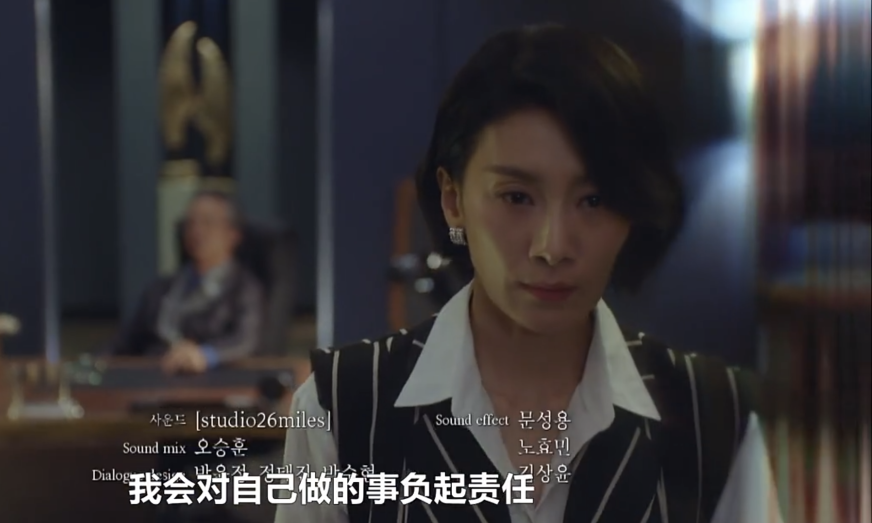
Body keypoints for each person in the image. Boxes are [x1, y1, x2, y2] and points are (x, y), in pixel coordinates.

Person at [276, 25, 781, 523]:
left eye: (594, 200)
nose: (552, 247)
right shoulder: (341, 407)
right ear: (453, 200)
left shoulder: (712, 414)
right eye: (516, 197)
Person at [104, 190, 264, 374]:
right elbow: (124, 341)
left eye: (208, 222)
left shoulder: (244, 288)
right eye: (190, 223)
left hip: (208, 380)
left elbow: (246, 340)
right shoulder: (162, 288)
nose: (197, 231)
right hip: (152, 376)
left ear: (233, 234)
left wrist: (205, 355)